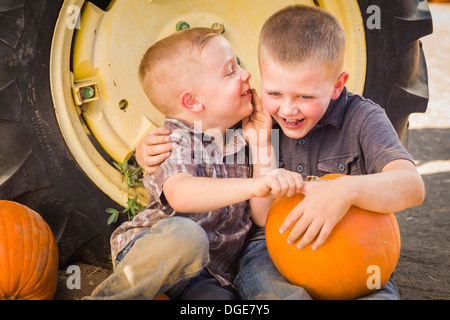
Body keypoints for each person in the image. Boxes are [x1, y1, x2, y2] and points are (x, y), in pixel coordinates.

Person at [135, 5, 425, 300]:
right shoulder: (253, 119)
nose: (287, 109)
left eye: (305, 96)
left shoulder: (363, 118)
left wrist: (345, 190)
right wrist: (143, 151)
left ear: (337, 85)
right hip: (272, 249)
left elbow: (411, 186)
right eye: (274, 93)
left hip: (355, 246)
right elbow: (259, 212)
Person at [85, 27, 304, 300]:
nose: (246, 74)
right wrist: (256, 184)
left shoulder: (244, 135)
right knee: (188, 237)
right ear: (192, 101)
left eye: (239, 65)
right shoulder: (174, 139)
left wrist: (262, 145)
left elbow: (262, 216)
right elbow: (181, 194)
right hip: (156, 253)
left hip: (209, 272)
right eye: (230, 71)